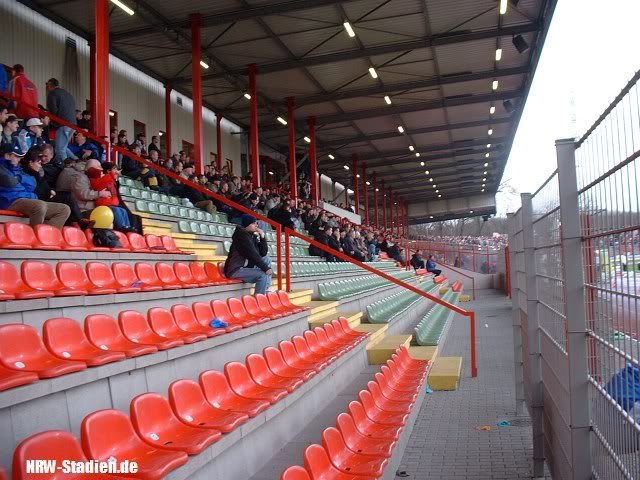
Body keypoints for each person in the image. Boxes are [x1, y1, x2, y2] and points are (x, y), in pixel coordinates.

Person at [0, 143, 70, 227]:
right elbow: (11, 182)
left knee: (64, 209)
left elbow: (31, 185)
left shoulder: (18, 169)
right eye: (17, 156)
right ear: (7, 156)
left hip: (25, 199)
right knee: (39, 205)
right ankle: (35, 237)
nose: (19, 159)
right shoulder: (2, 167)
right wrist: (20, 180)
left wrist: (20, 178)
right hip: (10, 201)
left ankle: (48, 238)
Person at [224, 214, 273, 295]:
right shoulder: (241, 236)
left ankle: (265, 288)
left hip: (245, 267)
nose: (256, 225)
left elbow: (262, 253)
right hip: (235, 269)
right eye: (254, 223)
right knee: (263, 274)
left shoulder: (251, 236)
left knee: (267, 259)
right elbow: (252, 254)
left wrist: (262, 237)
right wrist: (266, 268)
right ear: (247, 224)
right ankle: (259, 299)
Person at [45, 78, 77, 162]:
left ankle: (66, 169)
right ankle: (77, 161)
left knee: (59, 149)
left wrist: (52, 122)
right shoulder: (67, 94)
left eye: (47, 85)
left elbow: (53, 109)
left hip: (63, 124)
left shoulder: (52, 93)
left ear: (50, 85)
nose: (47, 88)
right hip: (73, 124)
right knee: (63, 147)